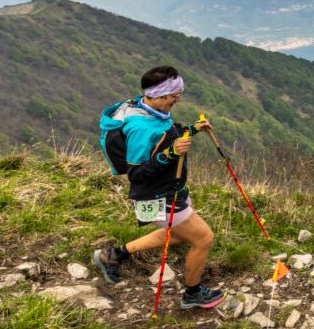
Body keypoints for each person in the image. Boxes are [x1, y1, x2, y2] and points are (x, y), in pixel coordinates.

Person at [92, 65, 224, 310]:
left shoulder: (147, 108)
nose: (178, 99)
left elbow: (166, 135)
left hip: (166, 191)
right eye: (174, 95)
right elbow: (136, 174)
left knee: (177, 234)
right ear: (160, 95)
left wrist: (192, 129)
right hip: (158, 195)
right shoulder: (142, 128)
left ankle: (112, 255)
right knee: (203, 238)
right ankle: (192, 294)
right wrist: (171, 153)